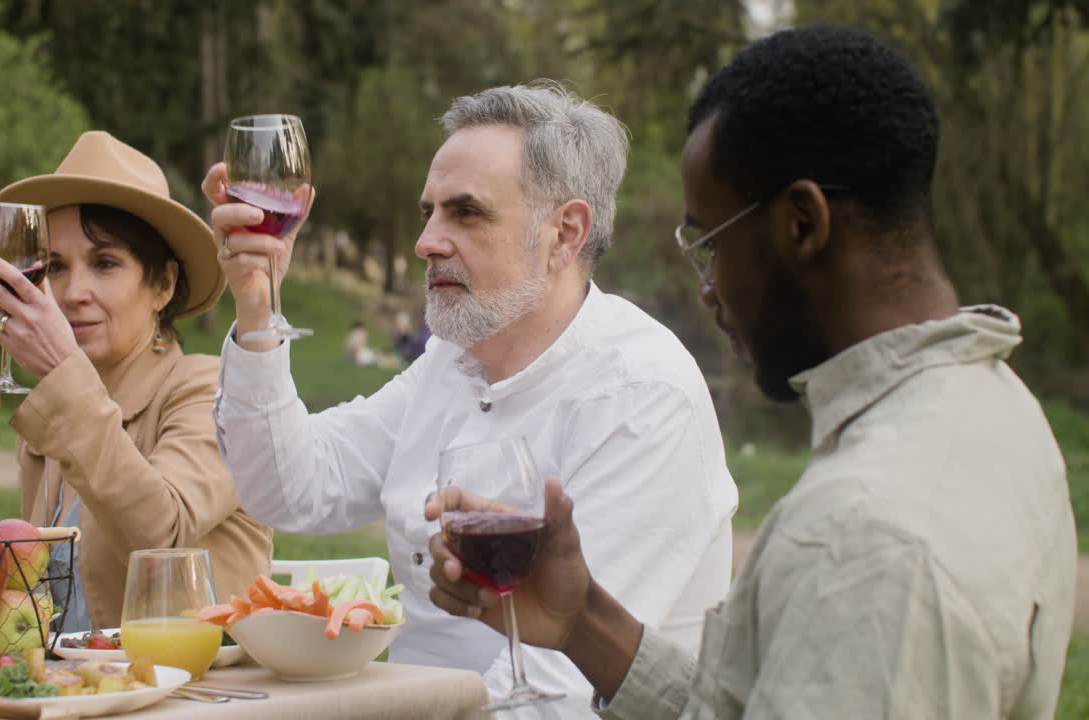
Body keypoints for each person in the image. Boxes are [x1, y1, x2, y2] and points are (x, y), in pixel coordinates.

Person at [426, 25, 1077, 719]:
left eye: (710, 245)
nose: (707, 290)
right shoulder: (996, 405)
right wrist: (582, 620)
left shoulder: (866, 539)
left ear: (802, 225)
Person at [202, 82, 738, 716]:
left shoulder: (641, 397)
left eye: (466, 213)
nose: (426, 241)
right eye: (429, 212)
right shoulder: (452, 363)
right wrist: (257, 305)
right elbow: (291, 487)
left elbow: (552, 699)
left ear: (565, 234)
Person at [0, 131, 273, 631]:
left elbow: (163, 537)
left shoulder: (212, 390)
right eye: (56, 267)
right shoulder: (55, 415)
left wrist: (63, 372)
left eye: (105, 263)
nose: (73, 292)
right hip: (87, 677)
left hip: (194, 677)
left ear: (163, 284)